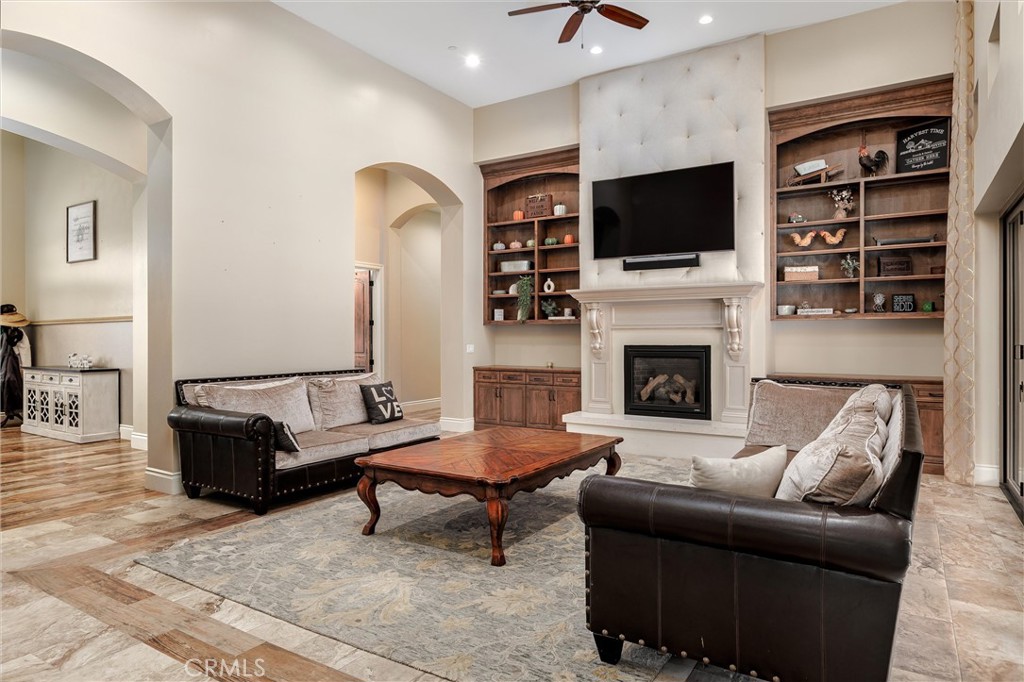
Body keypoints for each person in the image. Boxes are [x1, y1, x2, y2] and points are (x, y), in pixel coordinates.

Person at [1, 304, 32, 427]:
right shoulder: (4, 331)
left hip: (12, 362)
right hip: (5, 361)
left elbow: (24, 351)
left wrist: (25, 367)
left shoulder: (17, 333)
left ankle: (12, 409)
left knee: (10, 383)